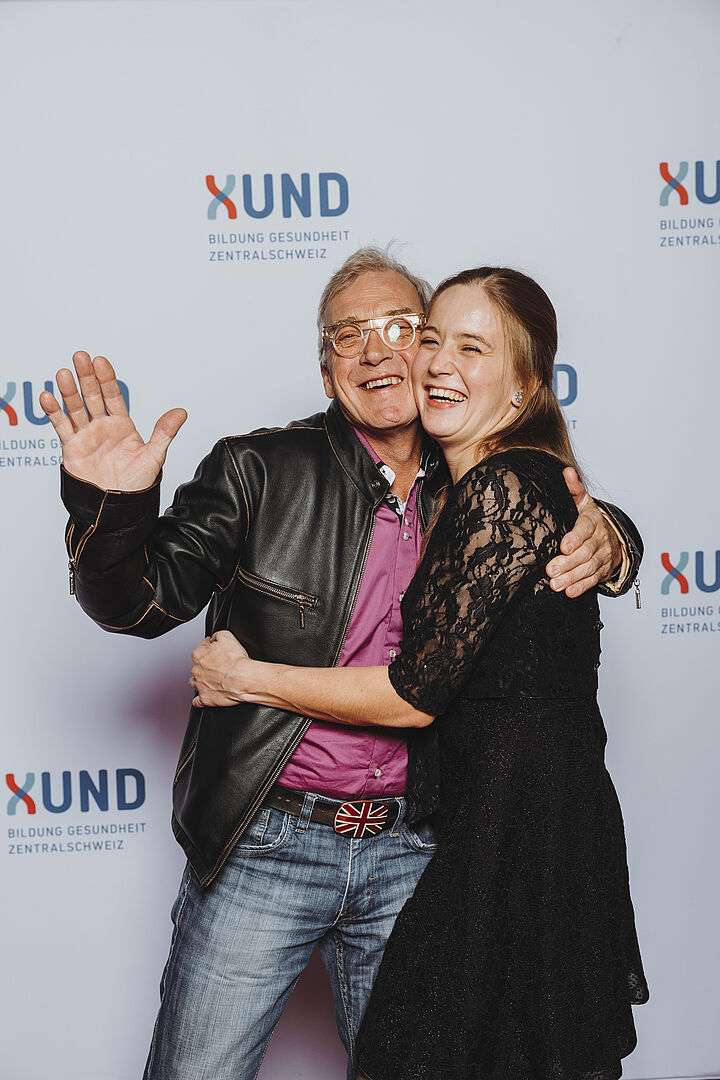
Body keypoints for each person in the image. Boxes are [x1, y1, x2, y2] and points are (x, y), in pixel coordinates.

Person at [40, 249, 642, 1080]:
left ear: (426, 352)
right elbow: (140, 602)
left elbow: (543, 502)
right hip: (273, 841)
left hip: (418, 848)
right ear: (327, 372)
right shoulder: (258, 469)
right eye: (346, 336)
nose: (373, 350)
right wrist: (111, 509)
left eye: (400, 327)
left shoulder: (468, 475)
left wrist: (615, 540)